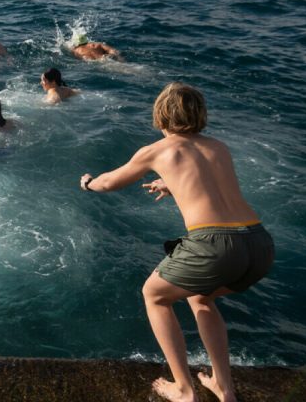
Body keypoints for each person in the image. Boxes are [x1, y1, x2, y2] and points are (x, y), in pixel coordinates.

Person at [78, 83, 273, 402]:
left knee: (154, 295)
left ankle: (184, 390)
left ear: (161, 114)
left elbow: (110, 182)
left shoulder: (156, 150)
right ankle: (224, 387)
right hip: (258, 242)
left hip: (214, 245)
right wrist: (172, 186)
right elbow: (213, 188)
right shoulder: (219, 147)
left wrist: (88, 183)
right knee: (201, 297)